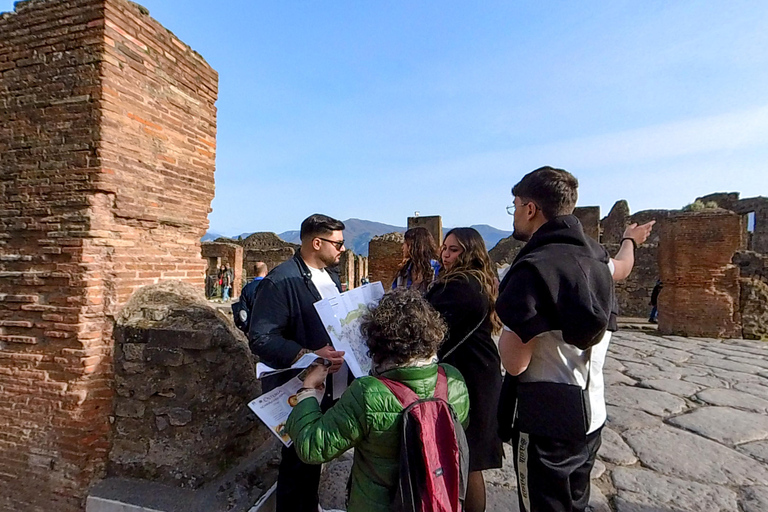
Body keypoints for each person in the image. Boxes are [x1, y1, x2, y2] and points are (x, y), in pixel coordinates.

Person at [496, 166, 654, 512]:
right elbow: (623, 267)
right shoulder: (596, 258)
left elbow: (514, 361)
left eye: (515, 206)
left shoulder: (532, 270)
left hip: (545, 419)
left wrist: (505, 318)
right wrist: (629, 239)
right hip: (591, 413)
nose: (514, 215)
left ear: (531, 208)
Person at [285, 288, 470, 512]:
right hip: (436, 500)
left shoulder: (367, 393)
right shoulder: (452, 379)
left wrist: (308, 391)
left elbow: (312, 446)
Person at [248, 214, 348, 512]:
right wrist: (308, 353)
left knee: (313, 455)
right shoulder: (280, 282)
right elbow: (261, 338)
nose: (342, 249)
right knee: (296, 462)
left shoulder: (332, 278)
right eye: (338, 244)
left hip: (330, 383)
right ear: (317, 243)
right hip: (297, 385)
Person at [425, 227, 503, 512]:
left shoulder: (459, 285)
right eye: (444, 248)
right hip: (480, 370)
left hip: (469, 376)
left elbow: (427, 324)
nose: (446, 254)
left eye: (454, 249)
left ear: (470, 252)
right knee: (470, 461)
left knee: (468, 460)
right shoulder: (479, 281)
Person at [392, 227, 440, 294]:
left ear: (413, 245)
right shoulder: (403, 272)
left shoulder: (436, 270)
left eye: (405, 243)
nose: (402, 247)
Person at [232, 262, 268, 335]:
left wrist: (246, 328)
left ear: (254, 272)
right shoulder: (271, 287)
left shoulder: (247, 288)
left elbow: (243, 313)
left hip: (252, 327)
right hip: (268, 327)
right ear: (266, 272)